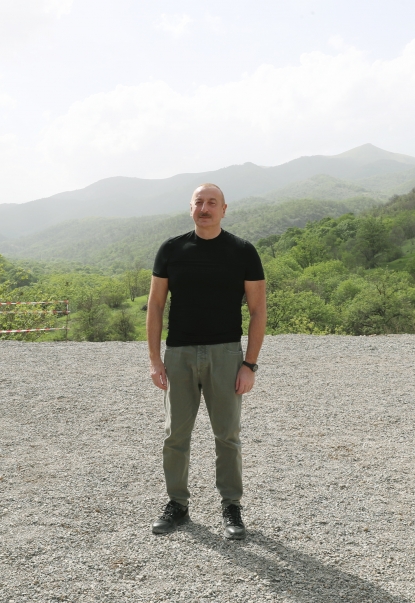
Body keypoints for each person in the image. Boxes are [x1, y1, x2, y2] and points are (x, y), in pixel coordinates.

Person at [146, 183, 267, 540]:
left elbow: (258, 310)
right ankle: (177, 505)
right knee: (175, 435)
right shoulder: (171, 249)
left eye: (212, 202)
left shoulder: (243, 251)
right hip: (179, 354)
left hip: (225, 354)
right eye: (199, 202)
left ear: (224, 209)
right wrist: (155, 360)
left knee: (227, 436)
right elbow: (155, 306)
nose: (205, 208)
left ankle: (231, 507)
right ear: (191, 208)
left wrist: (249, 364)